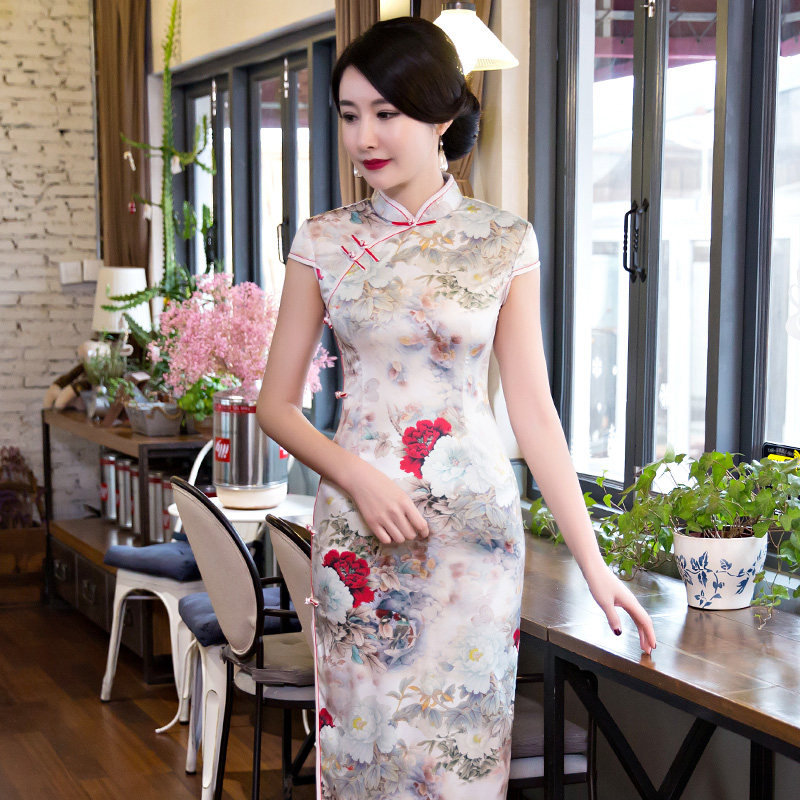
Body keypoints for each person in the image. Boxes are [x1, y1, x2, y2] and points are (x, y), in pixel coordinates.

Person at [257, 16, 656, 799]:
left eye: (386, 113)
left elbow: (533, 412)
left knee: (463, 766)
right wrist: (359, 479)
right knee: (367, 759)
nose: (365, 137)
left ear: (440, 116)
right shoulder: (324, 241)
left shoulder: (504, 241)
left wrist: (594, 563)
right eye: (349, 115)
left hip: (475, 545)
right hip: (360, 536)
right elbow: (276, 406)